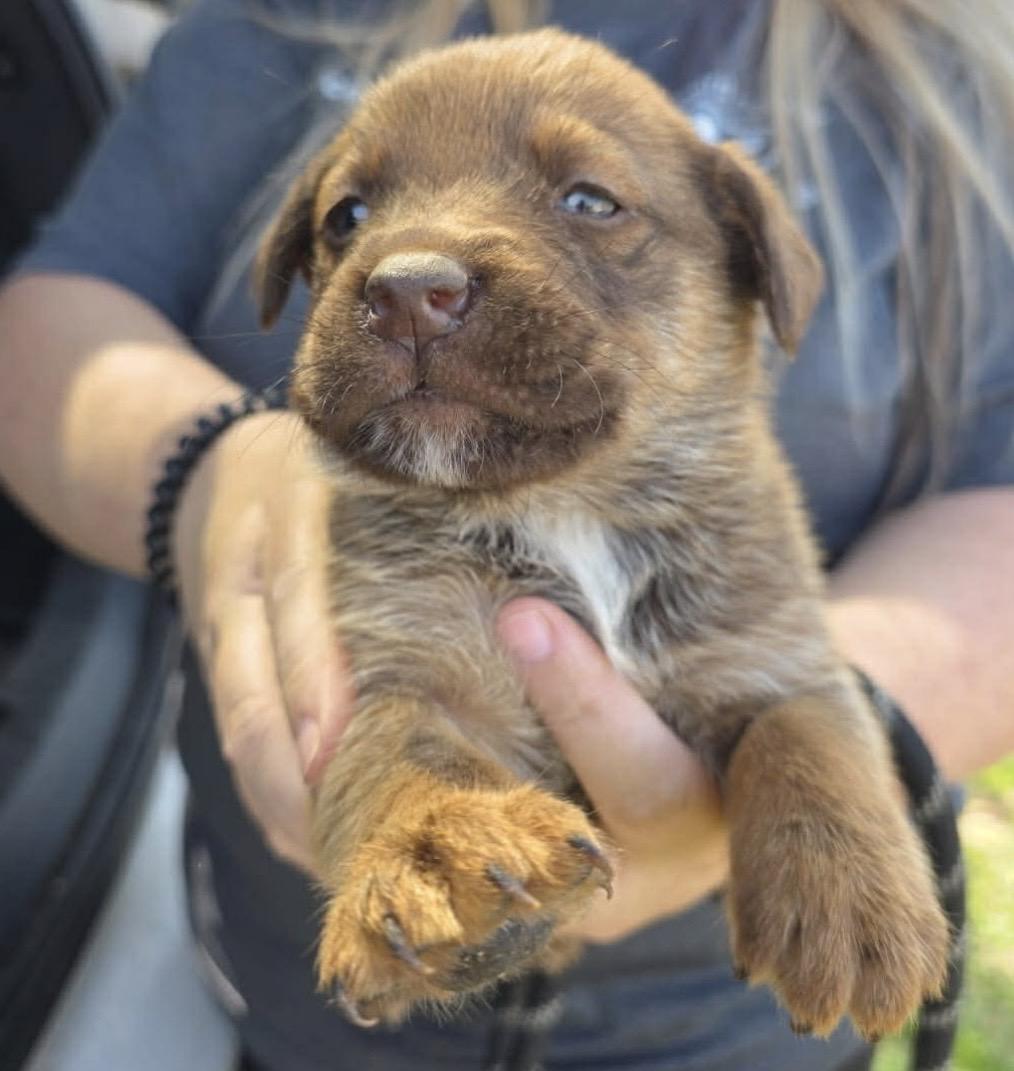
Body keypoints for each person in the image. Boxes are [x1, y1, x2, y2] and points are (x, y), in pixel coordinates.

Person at [1, 1, 1012, 1069]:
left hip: (728, 1038)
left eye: (587, 201)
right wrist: (204, 471)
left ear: (753, 269)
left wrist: (812, 752)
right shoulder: (277, 20)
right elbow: (48, 316)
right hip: (306, 1024)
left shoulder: (945, 87)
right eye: (348, 223)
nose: (410, 279)